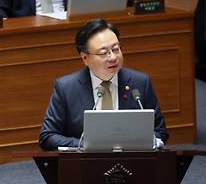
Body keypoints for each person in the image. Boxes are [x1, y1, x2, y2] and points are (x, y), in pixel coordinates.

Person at [39, 18, 169, 150]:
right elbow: (48, 137)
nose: (113, 57)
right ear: (85, 58)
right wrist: (88, 146)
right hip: (84, 164)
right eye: (103, 53)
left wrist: (151, 141)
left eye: (116, 49)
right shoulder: (66, 88)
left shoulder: (140, 82)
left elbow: (160, 131)